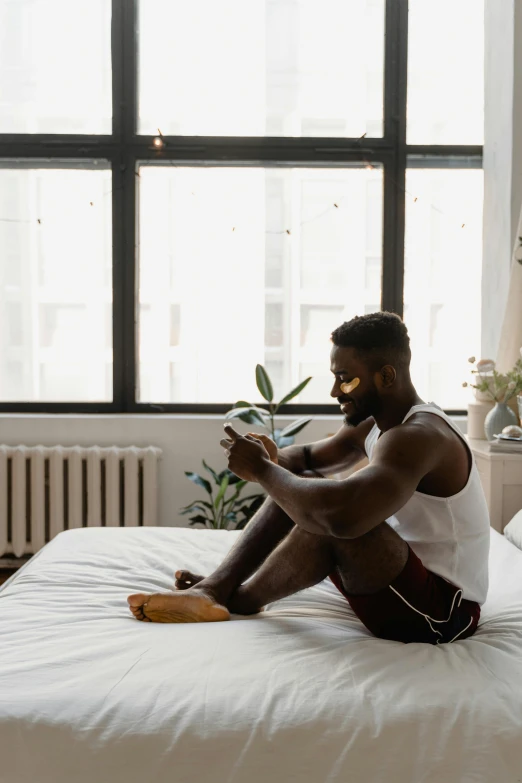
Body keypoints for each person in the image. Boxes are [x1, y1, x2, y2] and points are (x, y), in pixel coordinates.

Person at [128, 312, 490, 644]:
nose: (335, 392)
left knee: (334, 514)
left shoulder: (419, 436)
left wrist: (263, 471)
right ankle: (215, 589)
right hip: (403, 581)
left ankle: (238, 599)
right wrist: (273, 459)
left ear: (386, 376)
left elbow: (342, 517)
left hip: (443, 612)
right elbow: (305, 460)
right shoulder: (375, 423)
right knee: (310, 485)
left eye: (345, 380)